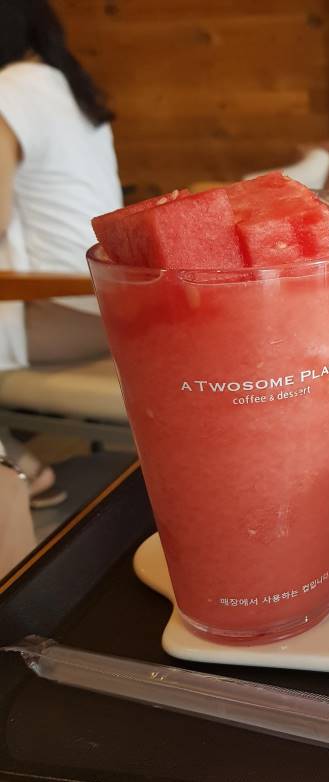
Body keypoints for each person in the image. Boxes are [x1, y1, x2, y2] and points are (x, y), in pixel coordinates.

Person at [0, 0, 123, 505]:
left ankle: (19, 471)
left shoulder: (8, 90)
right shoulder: (68, 88)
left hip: (57, 306)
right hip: (107, 303)